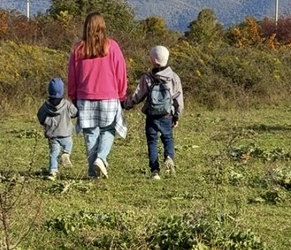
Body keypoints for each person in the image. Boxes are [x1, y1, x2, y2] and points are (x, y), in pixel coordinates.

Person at [67, 12, 128, 179]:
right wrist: (122, 94)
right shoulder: (112, 46)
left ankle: (93, 170)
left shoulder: (78, 49)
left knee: (90, 134)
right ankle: (101, 158)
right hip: (109, 96)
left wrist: (73, 96)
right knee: (108, 130)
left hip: (85, 98)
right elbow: (120, 72)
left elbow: (72, 76)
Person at [124, 45, 184, 180]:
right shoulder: (174, 77)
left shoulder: (147, 77)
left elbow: (137, 96)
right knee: (168, 138)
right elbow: (178, 100)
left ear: (152, 60)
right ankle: (169, 157)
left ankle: (155, 171)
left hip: (152, 116)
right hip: (167, 115)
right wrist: (176, 116)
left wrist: (126, 104)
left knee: (152, 142)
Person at [37, 76, 78, 179]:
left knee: (54, 153)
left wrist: (46, 122)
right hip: (66, 134)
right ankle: (66, 153)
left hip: (53, 135)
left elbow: (40, 116)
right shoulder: (67, 104)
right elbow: (75, 113)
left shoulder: (45, 106)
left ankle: (53, 171)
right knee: (68, 144)